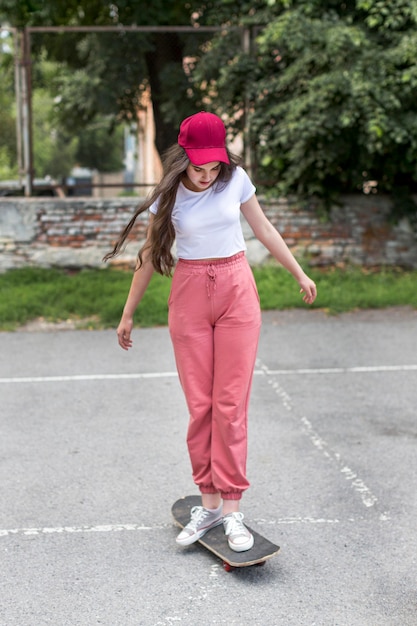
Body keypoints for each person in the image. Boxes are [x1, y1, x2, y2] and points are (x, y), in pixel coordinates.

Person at [104, 111, 317, 552]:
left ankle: (234, 510)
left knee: (230, 405)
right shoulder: (168, 197)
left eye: (213, 166)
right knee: (201, 406)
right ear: (183, 159)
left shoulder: (235, 181)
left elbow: (263, 228)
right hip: (189, 295)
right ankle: (210, 505)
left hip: (237, 291)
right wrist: (128, 313)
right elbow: (148, 254)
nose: (206, 176)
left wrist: (298, 273)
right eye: (198, 168)